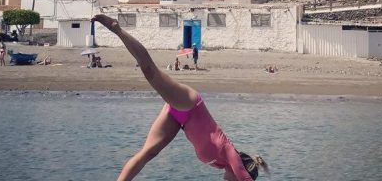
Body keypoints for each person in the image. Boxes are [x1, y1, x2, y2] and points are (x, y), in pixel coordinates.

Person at [92, 14, 268, 181]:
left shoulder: (220, 164)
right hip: (191, 104)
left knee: (148, 153)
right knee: (150, 71)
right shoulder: (231, 154)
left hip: (179, 120)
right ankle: (117, 28)